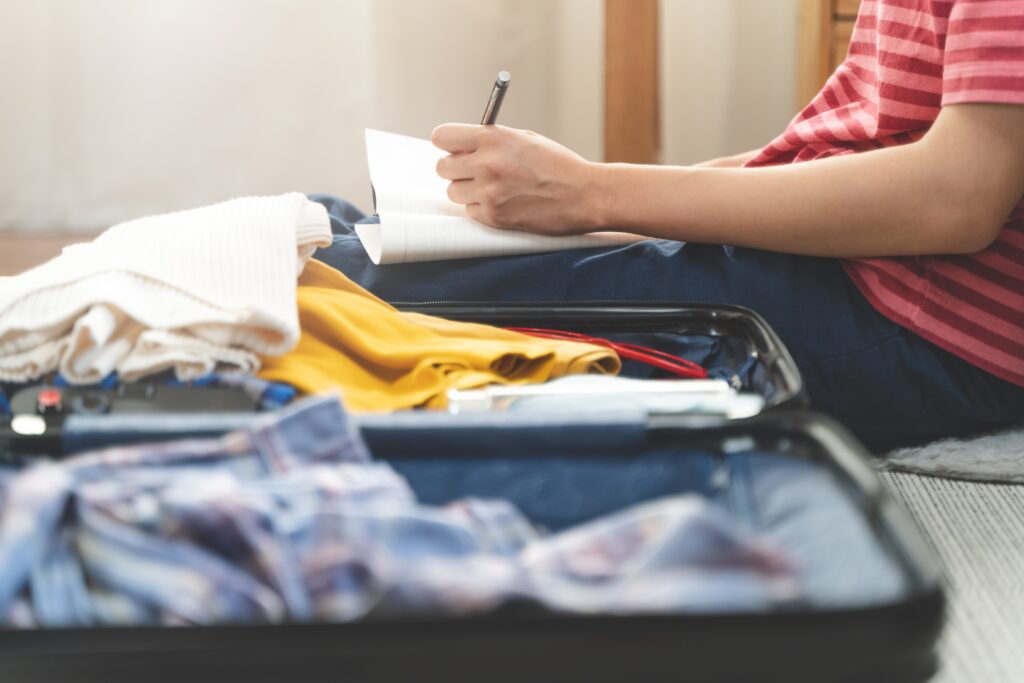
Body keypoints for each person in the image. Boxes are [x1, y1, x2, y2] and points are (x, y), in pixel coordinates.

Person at [313, 0, 1024, 452]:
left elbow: (957, 199)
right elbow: (869, 145)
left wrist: (592, 193)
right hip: (859, 266)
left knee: (348, 282)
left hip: (916, 318)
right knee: (346, 233)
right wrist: (603, 208)